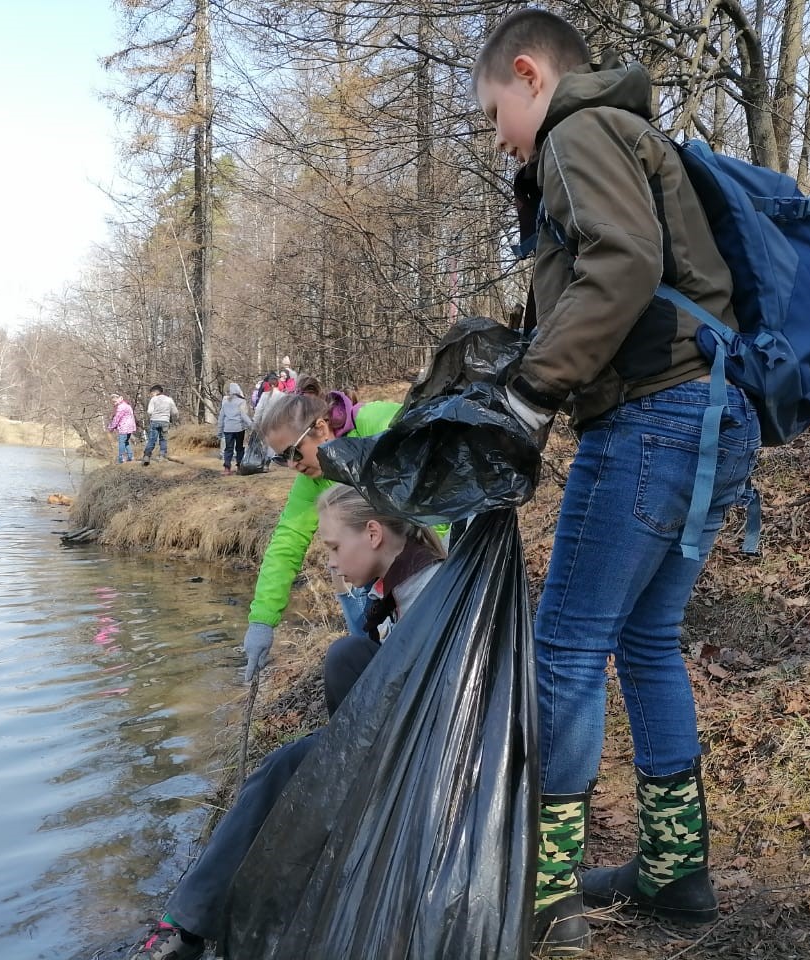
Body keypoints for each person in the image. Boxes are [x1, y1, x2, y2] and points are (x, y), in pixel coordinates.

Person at [473, 11, 762, 954]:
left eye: (493, 112)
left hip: (656, 415)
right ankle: (677, 872)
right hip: (715, 417)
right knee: (647, 641)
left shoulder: (577, 132)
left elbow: (624, 265)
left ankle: (547, 897)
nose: (498, 134)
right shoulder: (625, 131)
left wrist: (529, 390)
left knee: (565, 647)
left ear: (529, 75)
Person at [128, 486, 445, 959]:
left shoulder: (427, 593)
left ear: (374, 534)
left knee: (281, 767)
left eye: (335, 548)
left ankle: (185, 929)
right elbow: (379, 660)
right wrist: (349, 595)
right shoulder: (405, 581)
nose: (331, 562)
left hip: (425, 759)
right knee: (343, 660)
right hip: (400, 736)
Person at [240, 390, 402, 686]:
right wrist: (262, 620)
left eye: (293, 452)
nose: (292, 465)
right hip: (372, 574)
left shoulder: (378, 423)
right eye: (281, 459)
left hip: (429, 561)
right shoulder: (311, 479)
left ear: (321, 427)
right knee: (369, 660)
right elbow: (287, 542)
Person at [216, 382, 254, 476]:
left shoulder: (225, 402)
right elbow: (244, 416)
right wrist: (252, 426)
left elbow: (221, 418)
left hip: (228, 429)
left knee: (228, 448)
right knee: (239, 448)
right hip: (239, 428)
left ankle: (227, 468)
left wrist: (219, 431)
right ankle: (239, 467)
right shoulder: (241, 401)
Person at [142, 385, 179, 465]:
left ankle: (146, 456)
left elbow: (150, 411)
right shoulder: (169, 400)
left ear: (155, 392)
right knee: (163, 439)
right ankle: (162, 456)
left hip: (154, 421)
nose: (151, 395)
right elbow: (175, 412)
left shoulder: (153, 399)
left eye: (152, 393)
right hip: (165, 421)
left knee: (152, 439)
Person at [108, 393, 137, 464]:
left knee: (121, 443)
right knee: (126, 441)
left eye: (115, 401)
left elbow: (117, 419)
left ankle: (121, 459)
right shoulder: (128, 406)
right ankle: (130, 457)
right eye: (113, 402)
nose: (114, 403)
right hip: (130, 427)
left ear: (120, 398)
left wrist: (111, 427)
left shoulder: (121, 407)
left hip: (124, 427)